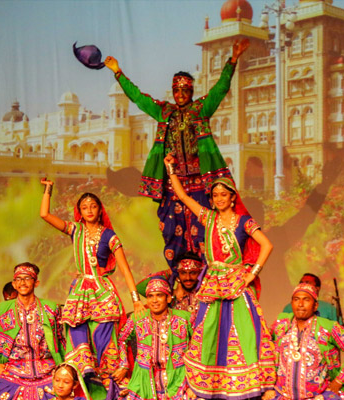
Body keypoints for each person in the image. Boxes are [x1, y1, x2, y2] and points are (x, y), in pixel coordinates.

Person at [103, 39, 250, 270]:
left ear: (191, 91)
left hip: (200, 183)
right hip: (172, 184)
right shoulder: (164, 111)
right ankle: (178, 279)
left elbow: (221, 88)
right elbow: (138, 98)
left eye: (185, 90)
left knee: (204, 231)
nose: (180, 94)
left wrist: (233, 60)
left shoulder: (201, 108)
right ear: (173, 92)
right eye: (177, 90)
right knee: (172, 232)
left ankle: (205, 279)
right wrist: (118, 72)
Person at [164, 156, 275, 399]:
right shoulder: (208, 217)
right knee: (208, 330)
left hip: (236, 283)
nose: (219, 198)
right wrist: (171, 170)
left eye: (224, 194)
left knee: (245, 330)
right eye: (215, 195)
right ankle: (209, 385)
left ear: (233, 197)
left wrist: (251, 274)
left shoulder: (244, 222)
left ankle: (248, 385)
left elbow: (266, 245)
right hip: (213, 282)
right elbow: (183, 197)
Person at [40, 179, 145, 398]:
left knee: (104, 337)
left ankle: (106, 384)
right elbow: (45, 215)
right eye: (84, 207)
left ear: (100, 211)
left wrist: (135, 299)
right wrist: (48, 189)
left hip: (103, 290)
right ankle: (84, 369)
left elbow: (125, 269)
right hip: (80, 289)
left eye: (93, 206)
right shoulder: (75, 230)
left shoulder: (109, 236)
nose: (89, 210)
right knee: (75, 326)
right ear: (79, 211)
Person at [0, 262, 64, 400]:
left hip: (48, 373)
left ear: (36, 283)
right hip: (12, 373)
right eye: (18, 279)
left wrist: (66, 368)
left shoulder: (51, 308)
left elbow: (61, 340)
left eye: (28, 278)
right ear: (14, 284)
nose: (22, 282)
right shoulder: (1, 309)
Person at [266, 284, 344, 400]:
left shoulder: (328, 327)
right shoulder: (281, 325)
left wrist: (339, 380)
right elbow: (264, 348)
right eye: (296, 300)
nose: (300, 304)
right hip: (282, 395)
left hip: (319, 396)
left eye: (306, 300)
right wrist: (268, 386)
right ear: (292, 304)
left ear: (315, 305)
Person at [114, 277, 193, 400]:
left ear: (168, 298)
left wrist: (193, 381)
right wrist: (124, 365)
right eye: (150, 296)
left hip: (178, 379)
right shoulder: (138, 318)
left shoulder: (185, 318)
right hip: (144, 379)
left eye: (159, 295)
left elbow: (200, 344)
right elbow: (121, 339)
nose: (154, 300)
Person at [136, 252, 204, 316]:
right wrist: (170, 272)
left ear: (200, 273)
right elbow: (140, 287)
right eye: (183, 273)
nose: (188, 277)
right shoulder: (169, 296)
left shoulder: (205, 295)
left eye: (193, 273)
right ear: (177, 273)